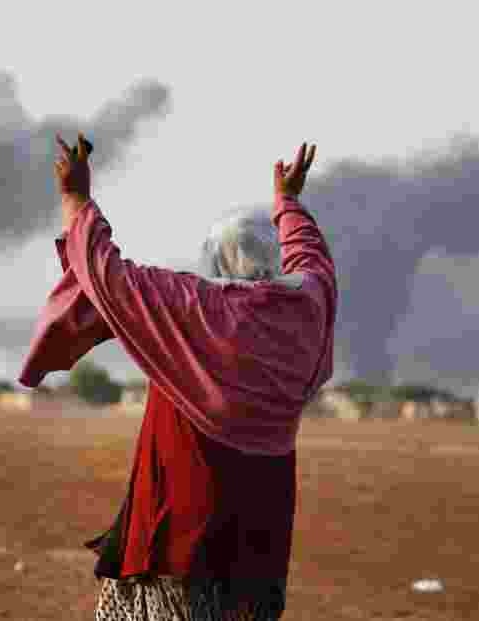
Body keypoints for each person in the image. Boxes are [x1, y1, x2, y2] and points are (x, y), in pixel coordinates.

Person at [18, 134, 337, 620]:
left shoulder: (194, 308)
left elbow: (106, 275)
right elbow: (313, 259)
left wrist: (75, 197)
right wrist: (289, 205)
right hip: (259, 544)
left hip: (178, 541)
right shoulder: (307, 309)